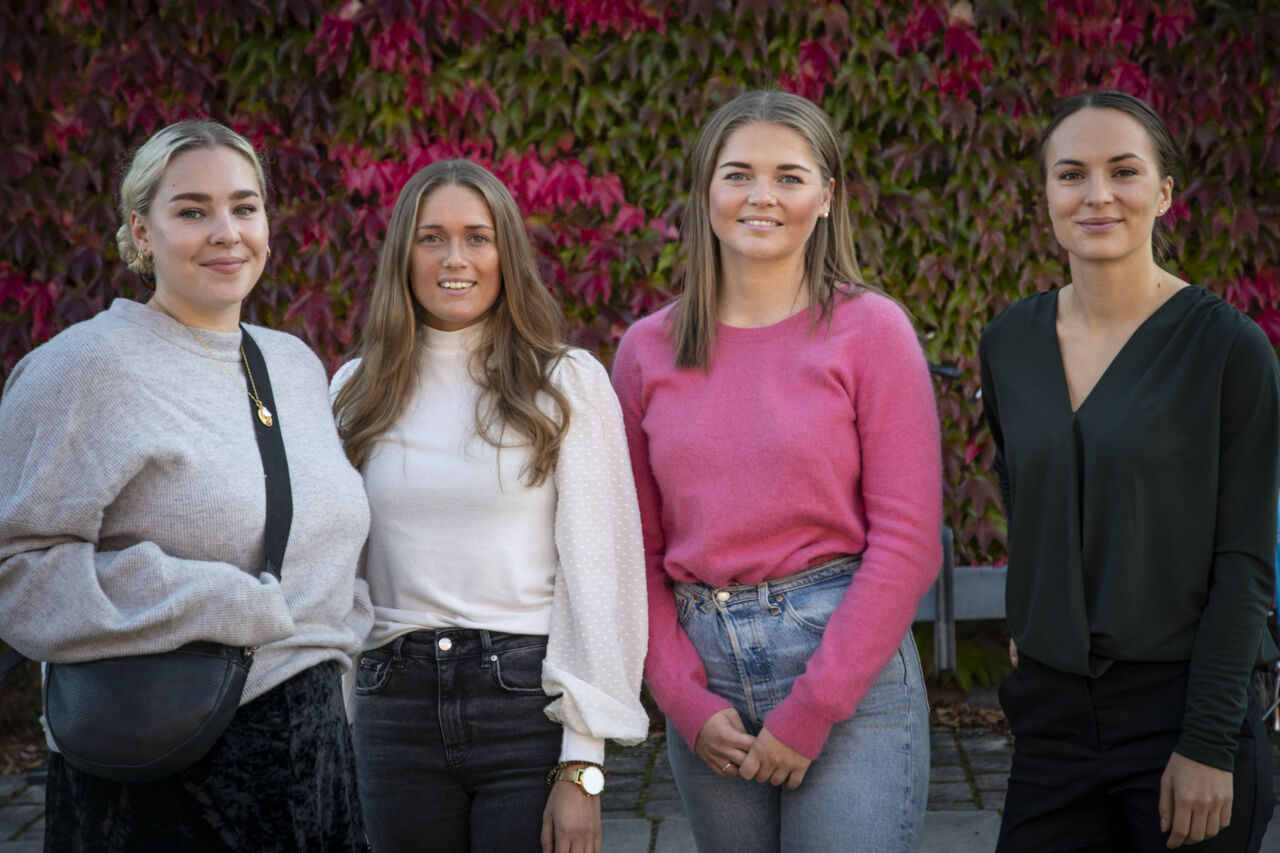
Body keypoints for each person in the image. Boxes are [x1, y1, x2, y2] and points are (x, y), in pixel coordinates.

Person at [0, 120, 372, 850]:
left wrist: (340, 642)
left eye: (244, 206)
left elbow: (329, 535)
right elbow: (19, 573)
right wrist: (220, 601)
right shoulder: (84, 369)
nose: (226, 232)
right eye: (193, 210)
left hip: (316, 758)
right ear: (142, 231)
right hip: (160, 769)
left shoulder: (292, 364)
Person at [611, 90, 943, 851]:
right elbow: (639, 553)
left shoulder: (871, 331)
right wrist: (682, 700)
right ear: (705, 191)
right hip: (707, 680)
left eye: (790, 177)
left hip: (845, 670)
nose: (763, 196)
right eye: (739, 174)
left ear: (826, 197)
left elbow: (908, 543)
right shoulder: (645, 351)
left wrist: (812, 709)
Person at [980, 90, 1280, 852]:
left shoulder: (1229, 351)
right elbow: (1025, 487)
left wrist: (1209, 743)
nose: (1098, 194)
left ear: (1165, 193)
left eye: (1124, 171)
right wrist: (1037, 610)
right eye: (1071, 174)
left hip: (1183, 703)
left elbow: (1246, 560)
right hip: (1052, 715)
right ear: (1046, 194)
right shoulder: (1010, 341)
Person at [330, 159, 649, 853]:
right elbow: (335, 576)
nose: (455, 259)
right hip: (392, 706)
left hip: (523, 707)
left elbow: (601, 575)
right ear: (402, 256)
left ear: (507, 252)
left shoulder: (565, 382)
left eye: (477, 237)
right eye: (431, 238)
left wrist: (583, 763)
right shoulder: (354, 390)